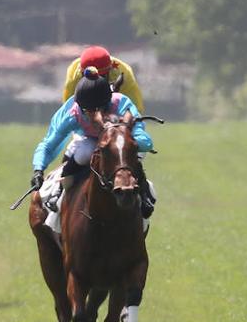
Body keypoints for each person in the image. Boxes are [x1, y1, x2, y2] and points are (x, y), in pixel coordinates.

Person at [31, 74, 155, 217]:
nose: (89, 115)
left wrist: (119, 142)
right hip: (91, 142)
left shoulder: (121, 104)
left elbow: (146, 142)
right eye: (85, 110)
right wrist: (38, 169)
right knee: (85, 152)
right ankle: (58, 192)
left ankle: (145, 194)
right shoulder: (73, 113)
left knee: (134, 154)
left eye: (94, 110)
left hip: (120, 143)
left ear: (106, 105)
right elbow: (49, 144)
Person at [62, 45, 144, 112]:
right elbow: (68, 110)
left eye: (101, 76)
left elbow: (135, 108)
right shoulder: (73, 78)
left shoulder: (123, 73)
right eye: (90, 78)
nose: (95, 83)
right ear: (82, 73)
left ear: (109, 71)